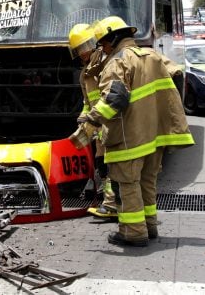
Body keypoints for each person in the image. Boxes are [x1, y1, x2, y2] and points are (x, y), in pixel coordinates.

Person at [69, 16, 194, 247]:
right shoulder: (152, 56)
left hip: (128, 138)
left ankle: (133, 233)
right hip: (154, 137)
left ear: (113, 38)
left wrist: (89, 125)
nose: (102, 49)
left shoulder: (118, 62)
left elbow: (113, 99)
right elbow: (176, 75)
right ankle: (150, 226)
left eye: (103, 43)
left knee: (127, 185)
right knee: (147, 183)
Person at [67, 23, 117, 219]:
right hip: (97, 124)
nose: (82, 53)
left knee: (111, 164)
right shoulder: (86, 73)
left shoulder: (105, 64)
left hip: (109, 121)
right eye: (78, 49)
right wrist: (84, 116)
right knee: (102, 164)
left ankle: (112, 204)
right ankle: (109, 201)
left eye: (83, 47)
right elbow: (88, 101)